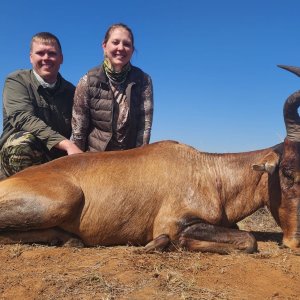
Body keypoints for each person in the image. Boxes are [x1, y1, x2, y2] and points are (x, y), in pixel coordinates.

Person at [0, 32, 82, 177]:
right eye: (40, 53)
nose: (46, 58)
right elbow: (23, 117)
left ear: (61, 58)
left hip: (56, 160)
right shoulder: (16, 81)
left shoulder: (72, 91)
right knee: (21, 144)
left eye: (52, 53)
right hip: (22, 158)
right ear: (31, 57)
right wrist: (67, 144)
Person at [71, 23, 153, 152]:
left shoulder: (144, 80)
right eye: (115, 42)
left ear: (132, 49)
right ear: (104, 46)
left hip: (129, 158)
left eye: (127, 44)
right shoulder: (87, 81)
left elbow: (144, 128)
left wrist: (139, 160)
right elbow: (78, 131)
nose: (121, 48)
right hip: (96, 159)